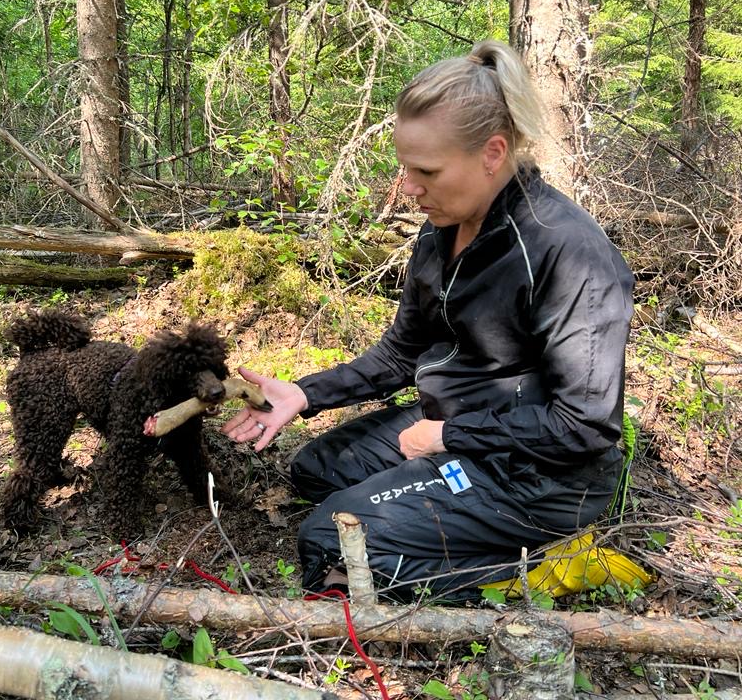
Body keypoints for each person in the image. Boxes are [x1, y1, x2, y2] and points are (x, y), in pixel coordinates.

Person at [222, 39, 634, 602]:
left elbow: (585, 426)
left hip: (538, 475)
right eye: (405, 167)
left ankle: (533, 571)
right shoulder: (442, 226)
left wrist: (447, 437)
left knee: (328, 541)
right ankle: (436, 514)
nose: (409, 188)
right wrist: (303, 394)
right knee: (315, 469)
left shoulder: (567, 251)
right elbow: (400, 353)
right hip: (458, 419)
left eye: (427, 171)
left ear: (493, 153)